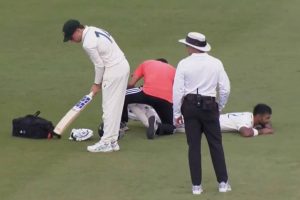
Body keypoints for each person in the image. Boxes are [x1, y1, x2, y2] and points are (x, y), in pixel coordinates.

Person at [173, 32, 231, 194]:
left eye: (187, 45)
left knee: (193, 146)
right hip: (209, 105)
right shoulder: (216, 63)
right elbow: (225, 88)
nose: (185, 47)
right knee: (216, 145)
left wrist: (176, 112)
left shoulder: (183, 64)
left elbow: (178, 90)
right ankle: (223, 183)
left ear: (192, 47)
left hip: (190, 107)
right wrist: (219, 107)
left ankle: (196, 186)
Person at [62, 19, 130, 153]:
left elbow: (99, 65)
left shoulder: (87, 43)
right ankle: (112, 141)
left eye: (71, 37)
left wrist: (96, 84)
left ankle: (106, 142)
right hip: (123, 65)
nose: (71, 40)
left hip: (114, 71)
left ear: (78, 30)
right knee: (115, 107)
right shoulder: (94, 29)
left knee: (109, 108)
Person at [127, 103, 273, 137]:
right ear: (258, 116)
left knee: (172, 125)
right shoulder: (246, 121)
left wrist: (260, 127)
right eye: (266, 118)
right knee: (172, 124)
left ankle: (132, 113)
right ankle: (137, 108)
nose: (268, 121)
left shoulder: (247, 115)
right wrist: (261, 132)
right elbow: (245, 133)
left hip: (205, 121)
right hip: (203, 122)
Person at [121, 59, 176, 139]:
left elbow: (131, 84)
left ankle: (122, 123)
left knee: (122, 96)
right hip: (166, 99)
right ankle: (156, 126)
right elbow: (178, 89)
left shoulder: (147, 63)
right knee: (171, 127)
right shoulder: (173, 70)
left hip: (147, 93)